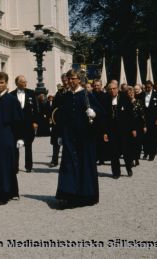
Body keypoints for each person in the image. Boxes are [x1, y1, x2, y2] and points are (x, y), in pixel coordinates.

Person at [55, 69, 104, 207]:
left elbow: (101, 112)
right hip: (69, 137)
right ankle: (68, 195)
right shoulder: (66, 96)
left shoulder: (86, 95)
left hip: (85, 138)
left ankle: (85, 195)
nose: (71, 81)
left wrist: (94, 113)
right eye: (69, 79)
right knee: (68, 166)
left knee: (84, 165)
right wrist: (59, 135)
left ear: (79, 80)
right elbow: (61, 118)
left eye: (73, 79)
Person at [0, 72, 24, 204]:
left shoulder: (12, 100)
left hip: (8, 136)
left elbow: (19, 121)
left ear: (6, 83)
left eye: (2, 82)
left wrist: (20, 137)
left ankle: (5, 193)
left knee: (6, 164)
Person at [103, 83, 135, 178]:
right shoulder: (106, 100)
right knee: (114, 153)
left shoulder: (125, 99)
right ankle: (116, 172)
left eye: (114, 89)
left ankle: (129, 168)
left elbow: (131, 115)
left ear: (117, 89)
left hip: (124, 130)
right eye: (110, 89)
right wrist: (105, 132)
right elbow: (104, 117)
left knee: (126, 151)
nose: (112, 91)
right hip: (112, 131)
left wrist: (133, 128)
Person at [10, 75, 38, 173]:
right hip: (16, 125)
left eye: (25, 81)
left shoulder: (31, 93)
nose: (25, 83)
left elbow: (36, 108)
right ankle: (15, 167)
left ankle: (28, 166)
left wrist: (35, 121)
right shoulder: (11, 94)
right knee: (15, 146)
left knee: (28, 146)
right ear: (17, 83)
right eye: (22, 81)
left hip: (28, 124)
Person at [48, 75, 69, 167]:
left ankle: (67, 161)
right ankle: (54, 160)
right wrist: (52, 118)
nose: (65, 82)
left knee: (68, 142)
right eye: (63, 80)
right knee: (56, 142)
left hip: (69, 121)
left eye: (66, 80)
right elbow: (54, 107)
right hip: (59, 121)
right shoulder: (59, 92)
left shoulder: (73, 91)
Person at [141, 80, 157, 161]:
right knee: (145, 137)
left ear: (152, 87)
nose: (147, 88)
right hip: (144, 120)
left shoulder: (156, 95)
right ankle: (146, 152)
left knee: (152, 137)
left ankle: (152, 154)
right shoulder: (142, 95)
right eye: (146, 87)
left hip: (154, 119)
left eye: (149, 87)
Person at [127, 86, 146, 167]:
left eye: (132, 93)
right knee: (130, 143)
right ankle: (131, 159)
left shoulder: (139, 102)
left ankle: (136, 158)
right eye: (129, 93)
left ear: (134, 94)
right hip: (129, 125)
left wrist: (144, 125)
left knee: (137, 143)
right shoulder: (125, 103)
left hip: (138, 124)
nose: (131, 94)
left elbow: (142, 114)